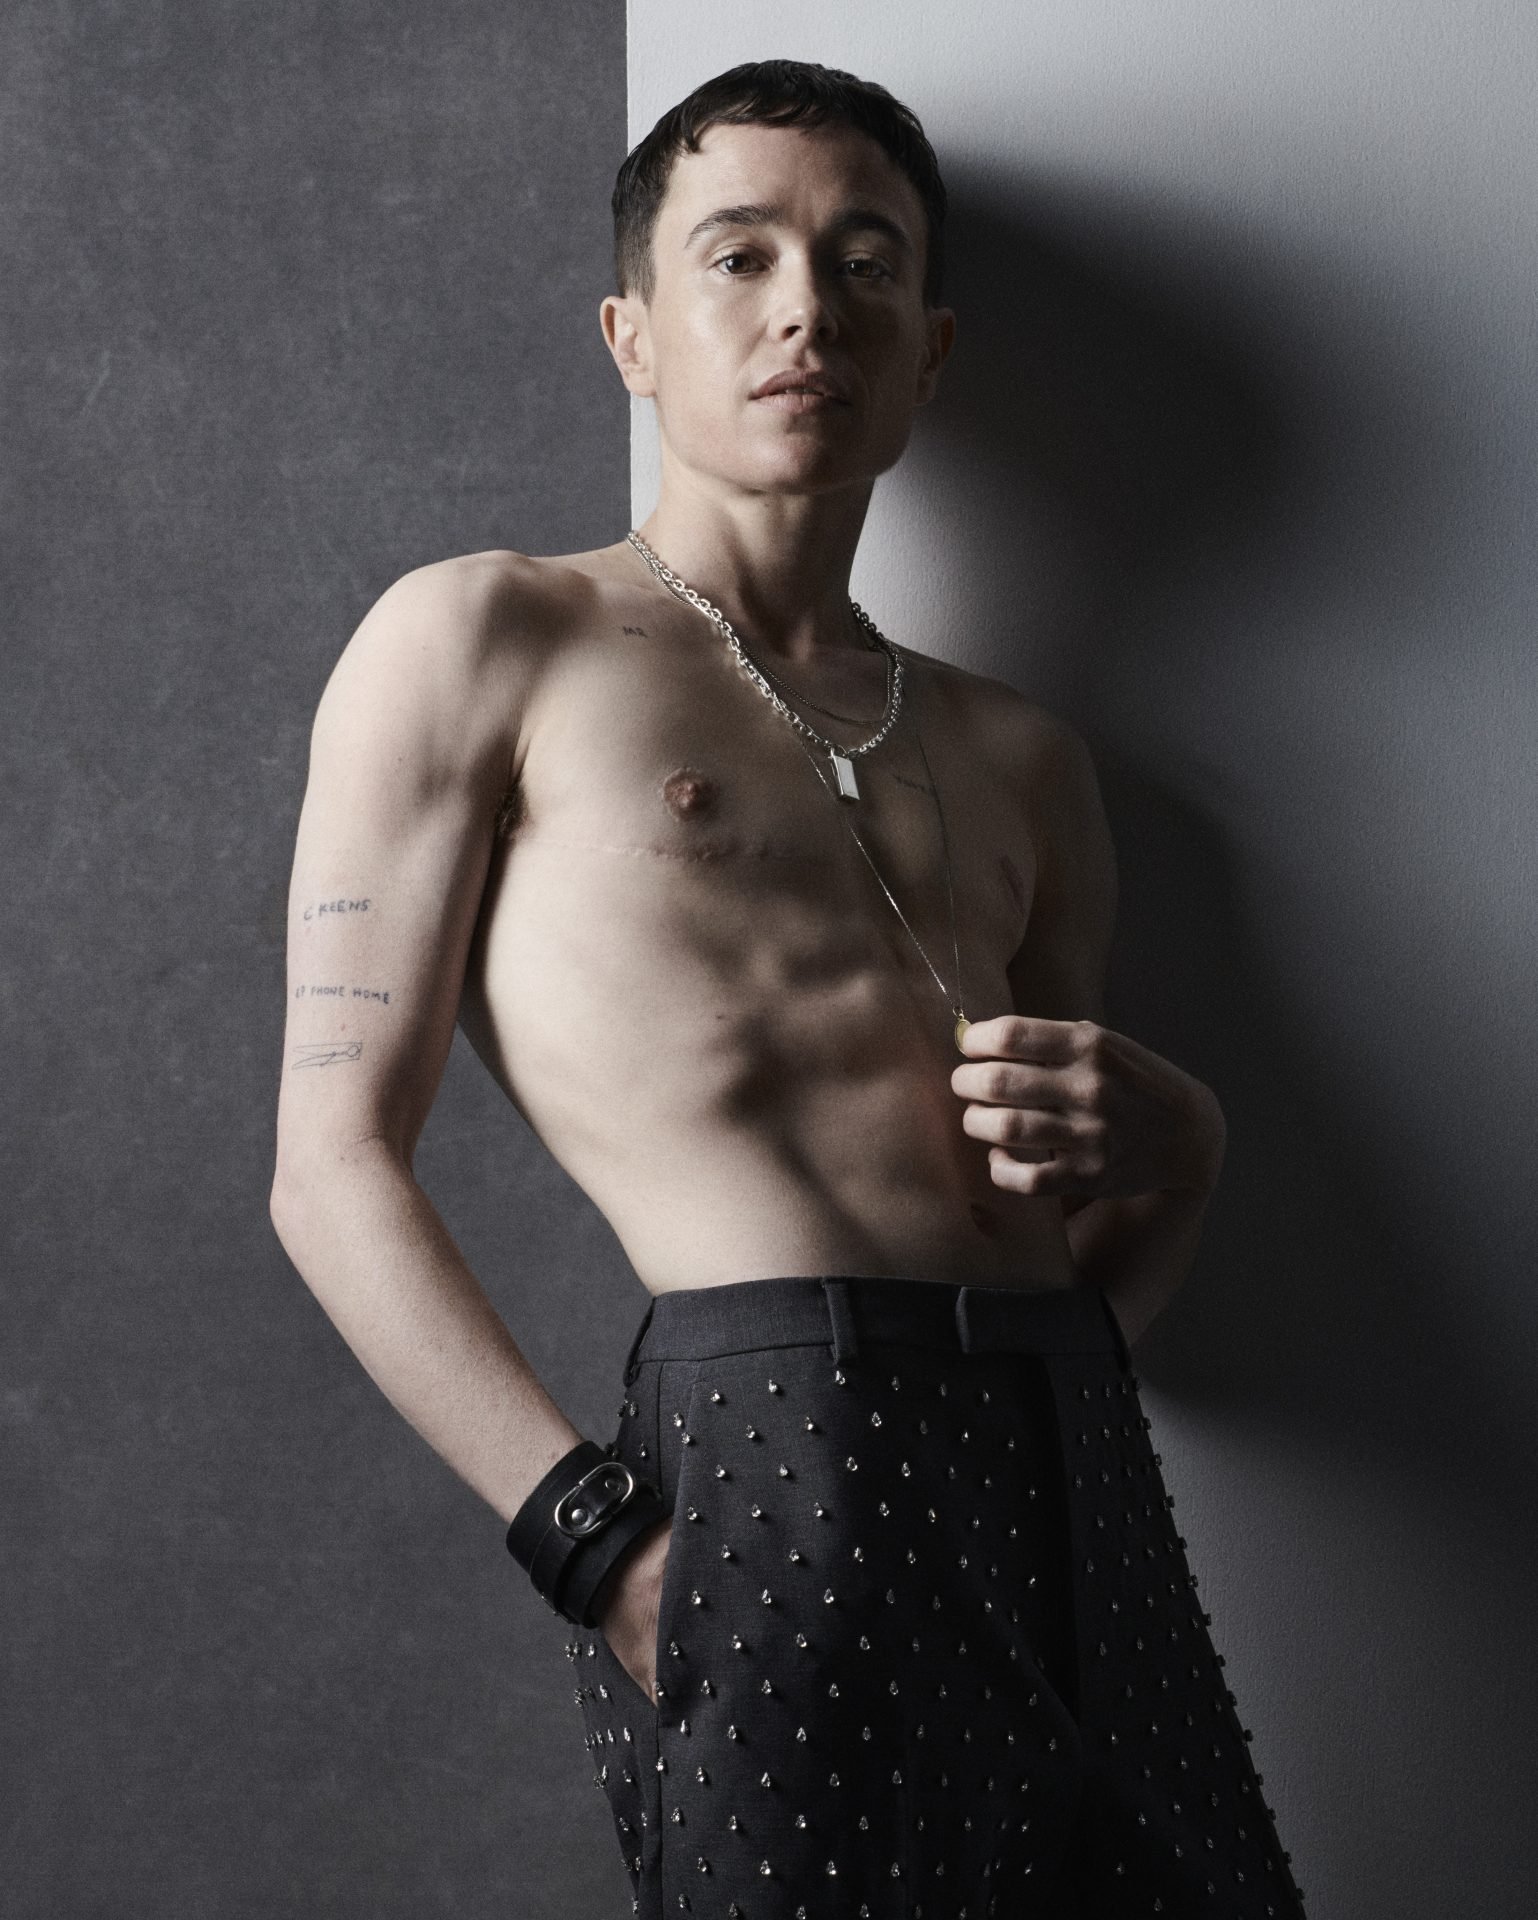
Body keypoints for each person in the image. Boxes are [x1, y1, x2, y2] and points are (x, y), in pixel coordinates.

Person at [269, 57, 1306, 1920]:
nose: (806, 308)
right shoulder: (489, 634)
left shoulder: (1026, 759)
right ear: (633, 335)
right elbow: (329, 1164)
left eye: (863, 262)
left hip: (1071, 1466)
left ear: (929, 350)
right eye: (737, 257)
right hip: (778, 1453)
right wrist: (593, 1541)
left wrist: (1191, 1151)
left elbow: (1080, 1274)